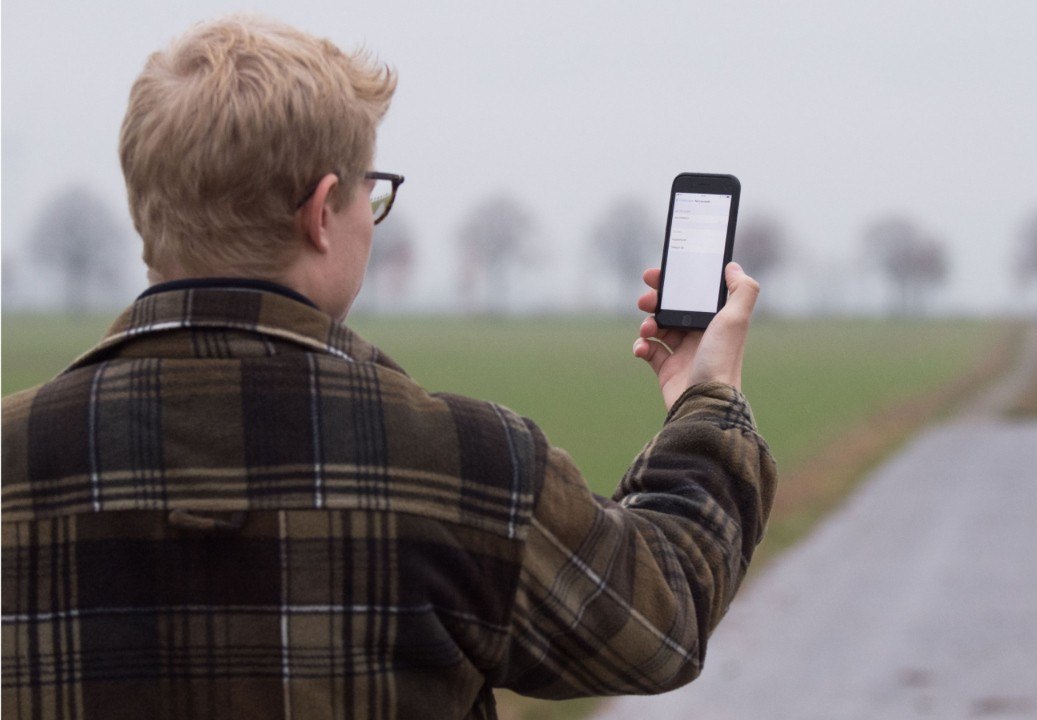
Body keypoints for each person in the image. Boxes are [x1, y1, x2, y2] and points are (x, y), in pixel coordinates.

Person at [1, 14, 775, 720]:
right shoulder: (472, 466)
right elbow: (660, 616)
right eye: (372, 194)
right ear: (322, 211)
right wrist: (705, 399)